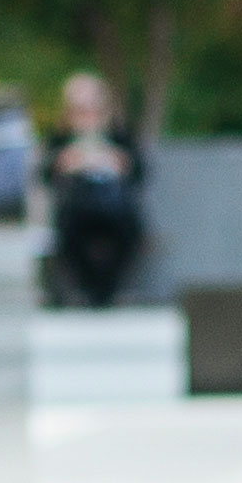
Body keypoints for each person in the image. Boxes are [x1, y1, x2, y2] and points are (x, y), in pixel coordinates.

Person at [45, 71, 144, 308]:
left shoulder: (117, 135)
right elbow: (45, 175)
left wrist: (118, 162)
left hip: (115, 207)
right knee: (69, 233)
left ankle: (107, 290)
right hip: (75, 206)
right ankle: (90, 290)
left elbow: (140, 171)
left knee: (129, 232)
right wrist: (66, 163)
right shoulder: (61, 138)